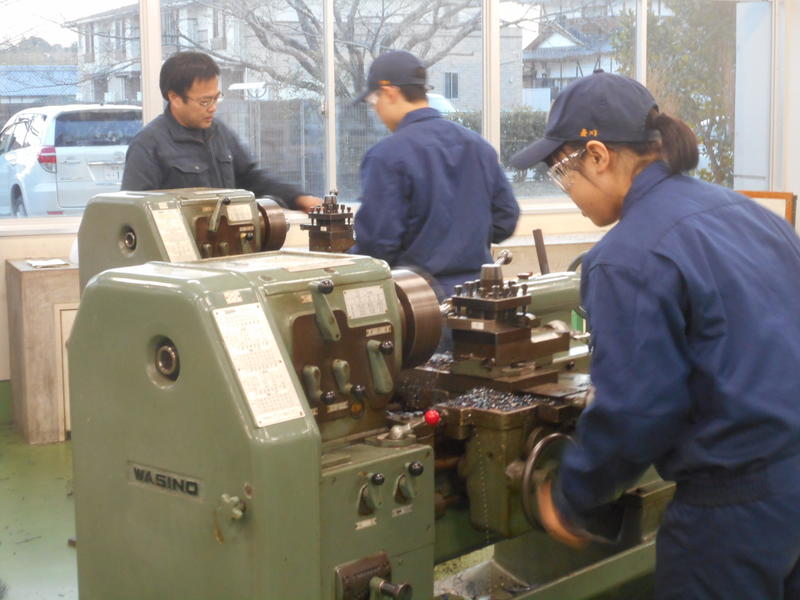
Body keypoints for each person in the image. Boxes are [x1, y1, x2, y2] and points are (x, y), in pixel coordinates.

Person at [510, 69, 800, 599]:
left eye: (561, 174)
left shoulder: (627, 257)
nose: (568, 193)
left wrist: (572, 495)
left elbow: (638, 407)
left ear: (597, 155)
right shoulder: (750, 216)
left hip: (734, 514)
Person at [350, 50, 519, 299]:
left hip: (418, 301)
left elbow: (378, 244)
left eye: (374, 102)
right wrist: (463, 239)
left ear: (389, 92)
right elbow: (506, 219)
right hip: (480, 296)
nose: (376, 111)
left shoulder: (387, 156)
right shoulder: (478, 146)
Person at [121, 51, 319, 212]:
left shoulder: (219, 133)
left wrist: (297, 198)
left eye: (216, 98)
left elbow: (251, 179)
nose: (213, 108)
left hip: (226, 241)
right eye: (204, 101)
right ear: (175, 98)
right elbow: (134, 213)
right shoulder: (148, 145)